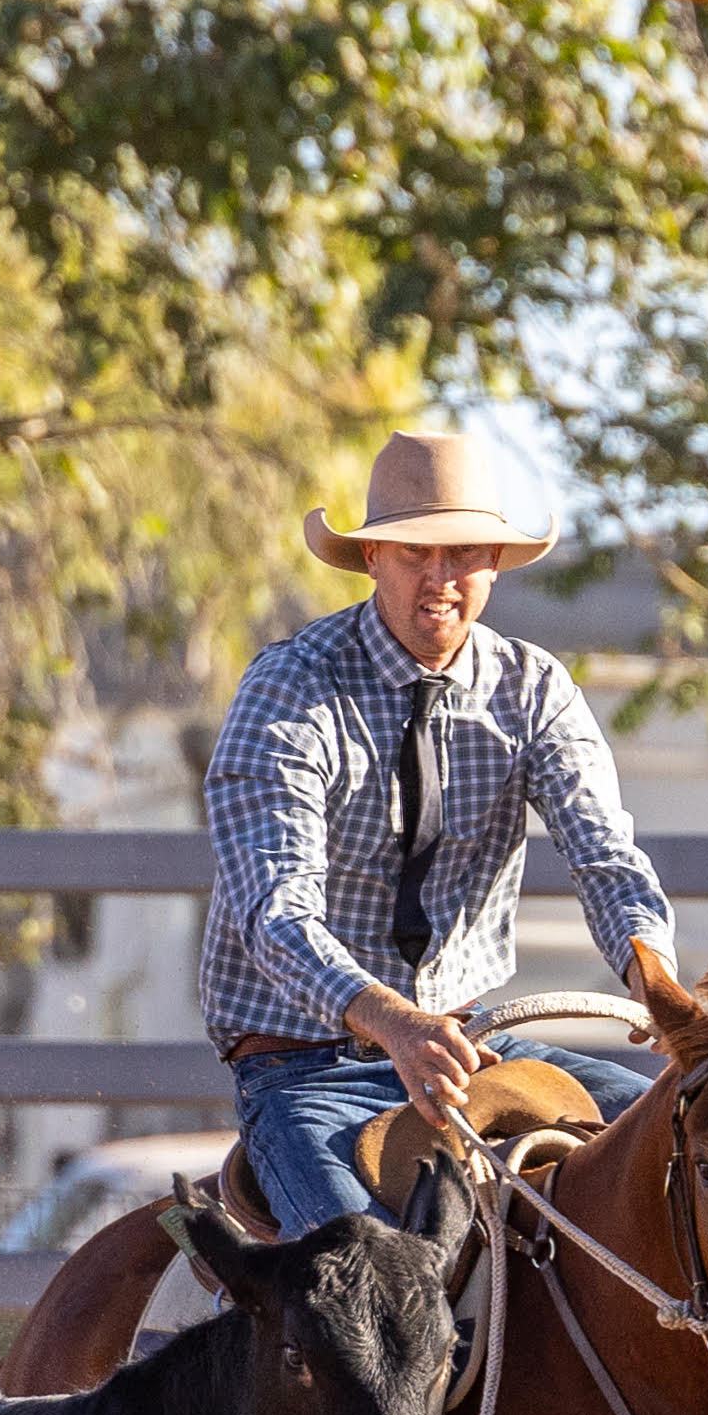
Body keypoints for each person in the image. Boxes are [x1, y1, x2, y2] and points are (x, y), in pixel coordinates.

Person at [201, 429, 673, 1236]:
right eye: (415, 551)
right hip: (303, 1066)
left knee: (685, 1149)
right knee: (370, 1279)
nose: (440, 576)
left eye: (462, 553)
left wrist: (654, 979)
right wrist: (395, 1023)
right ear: (372, 557)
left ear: (493, 564)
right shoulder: (292, 687)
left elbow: (604, 855)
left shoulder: (531, 689)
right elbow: (274, 910)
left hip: (467, 1050)